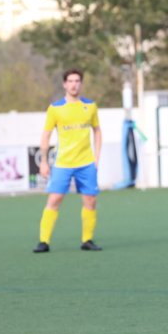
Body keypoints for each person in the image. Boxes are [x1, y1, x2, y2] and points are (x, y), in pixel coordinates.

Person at [33, 69, 103, 253]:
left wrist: (96, 158)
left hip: (86, 163)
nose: (74, 84)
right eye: (70, 81)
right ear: (64, 84)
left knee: (90, 201)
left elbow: (97, 131)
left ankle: (87, 240)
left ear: (81, 84)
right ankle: (43, 241)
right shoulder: (55, 108)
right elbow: (46, 135)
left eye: (77, 81)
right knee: (55, 199)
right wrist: (44, 162)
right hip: (63, 163)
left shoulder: (90, 106)